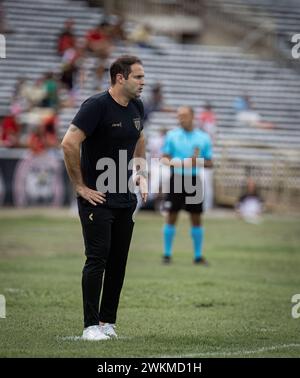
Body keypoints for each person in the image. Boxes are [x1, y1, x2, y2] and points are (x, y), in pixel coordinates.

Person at [61, 55, 147, 341]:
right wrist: (81, 187)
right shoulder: (96, 106)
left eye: (143, 76)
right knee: (97, 258)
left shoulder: (137, 107)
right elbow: (69, 142)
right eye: (137, 76)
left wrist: (140, 173)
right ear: (120, 77)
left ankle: (107, 322)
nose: (143, 81)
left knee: (118, 262)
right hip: (96, 199)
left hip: (125, 197)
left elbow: (139, 138)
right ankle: (89, 327)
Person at [161, 106, 213, 265]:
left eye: (184, 115)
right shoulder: (172, 135)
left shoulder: (203, 138)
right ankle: (167, 254)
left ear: (192, 116)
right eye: (179, 116)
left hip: (193, 180)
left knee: (196, 217)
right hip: (176, 179)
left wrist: (197, 162)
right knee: (171, 215)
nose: (181, 119)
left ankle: (197, 256)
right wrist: (180, 163)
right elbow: (164, 159)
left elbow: (210, 163)